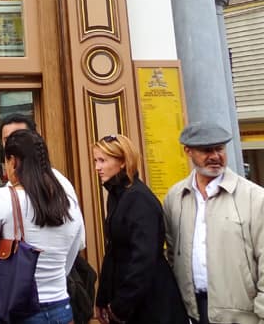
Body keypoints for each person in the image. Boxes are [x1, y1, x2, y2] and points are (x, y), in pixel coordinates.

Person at [0, 129, 85, 324]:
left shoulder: (4, 197)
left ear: (13, 161)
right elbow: (77, 245)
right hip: (61, 307)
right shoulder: (68, 201)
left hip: (20, 310)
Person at [163, 123, 264, 324]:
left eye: (220, 148)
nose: (216, 156)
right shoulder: (175, 197)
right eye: (206, 150)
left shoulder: (254, 197)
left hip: (242, 316)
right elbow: (172, 253)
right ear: (188, 151)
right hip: (191, 313)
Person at [0, 115, 95, 324]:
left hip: (49, 299)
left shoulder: (59, 183)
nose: (11, 145)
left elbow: (78, 240)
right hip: (18, 300)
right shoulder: (8, 188)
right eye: (6, 139)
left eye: (18, 137)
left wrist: (52, 274)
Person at [92, 134, 187, 324]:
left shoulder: (139, 199)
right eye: (96, 160)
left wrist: (120, 306)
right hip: (130, 300)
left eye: (103, 160)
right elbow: (113, 251)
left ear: (123, 162)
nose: (97, 167)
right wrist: (103, 297)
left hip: (150, 304)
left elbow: (144, 259)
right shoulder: (117, 195)